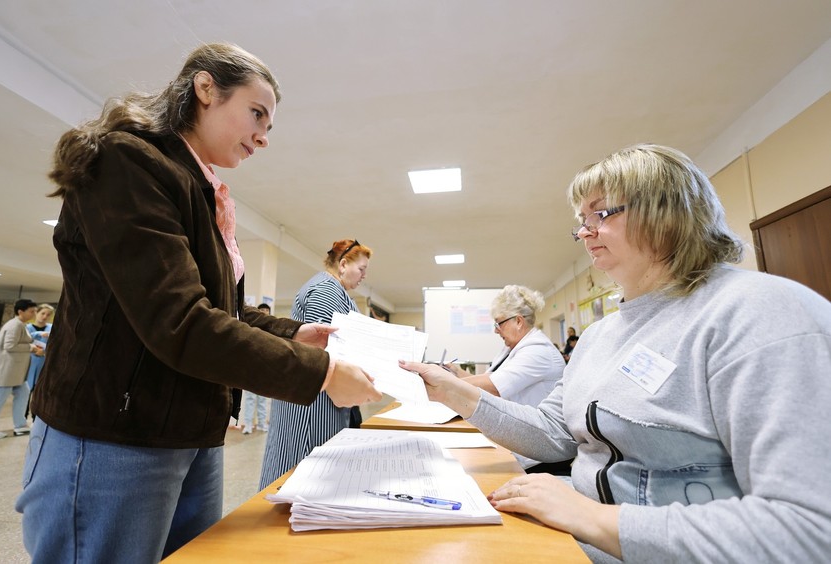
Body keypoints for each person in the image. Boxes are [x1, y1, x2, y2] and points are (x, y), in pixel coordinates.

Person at [15, 43, 381, 563]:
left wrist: (294, 334)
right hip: (113, 435)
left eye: (269, 124)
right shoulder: (129, 161)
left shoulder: (201, 190)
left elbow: (220, 310)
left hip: (188, 430)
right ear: (206, 89)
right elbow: (179, 320)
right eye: (257, 113)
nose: (263, 136)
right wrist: (321, 373)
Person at [401, 144, 831, 562]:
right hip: (584, 532)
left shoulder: (761, 312)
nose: (583, 232)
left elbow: (809, 531)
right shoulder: (600, 335)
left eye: (601, 214)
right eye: (581, 221)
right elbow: (554, 432)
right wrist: (453, 391)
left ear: (667, 213)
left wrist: (590, 516)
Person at [260, 238, 372, 489]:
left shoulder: (337, 292)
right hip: (313, 403)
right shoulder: (325, 290)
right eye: (361, 269)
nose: (364, 276)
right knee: (305, 472)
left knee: (310, 473)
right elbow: (324, 350)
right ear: (343, 264)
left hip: (323, 397)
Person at [444, 284, 569, 473]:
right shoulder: (511, 349)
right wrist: (456, 372)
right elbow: (487, 379)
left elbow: (493, 387)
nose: (496, 331)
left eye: (499, 323)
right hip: (518, 442)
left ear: (518, 321)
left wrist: (443, 382)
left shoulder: (538, 351)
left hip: (540, 457)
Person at [0, 299, 42, 439]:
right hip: (8, 370)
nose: (34, 314)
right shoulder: (15, 325)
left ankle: (20, 425)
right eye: (31, 311)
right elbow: (9, 345)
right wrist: (31, 348)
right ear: (21, 311)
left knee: (23, 392)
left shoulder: (19, 324)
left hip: (15, 372)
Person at [240, 302, 272, 434]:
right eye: (262, 310)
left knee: (262, 399)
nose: (264, 312)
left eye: (266, 310)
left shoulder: (272, 330)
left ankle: (262, 424)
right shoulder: (251, 328)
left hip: (265, 369)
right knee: (250, 399)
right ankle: (248, 425)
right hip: (251, 369)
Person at [25, 304, 54, 391]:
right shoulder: (27, 328)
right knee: (26, 390)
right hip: (27, 362)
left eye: (48, 315)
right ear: (36, 313)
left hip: (44, 362)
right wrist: (38, 334)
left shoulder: (52, 328)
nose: (45, 317)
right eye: (43, 313)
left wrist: (45, 353)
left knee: (39, 390)